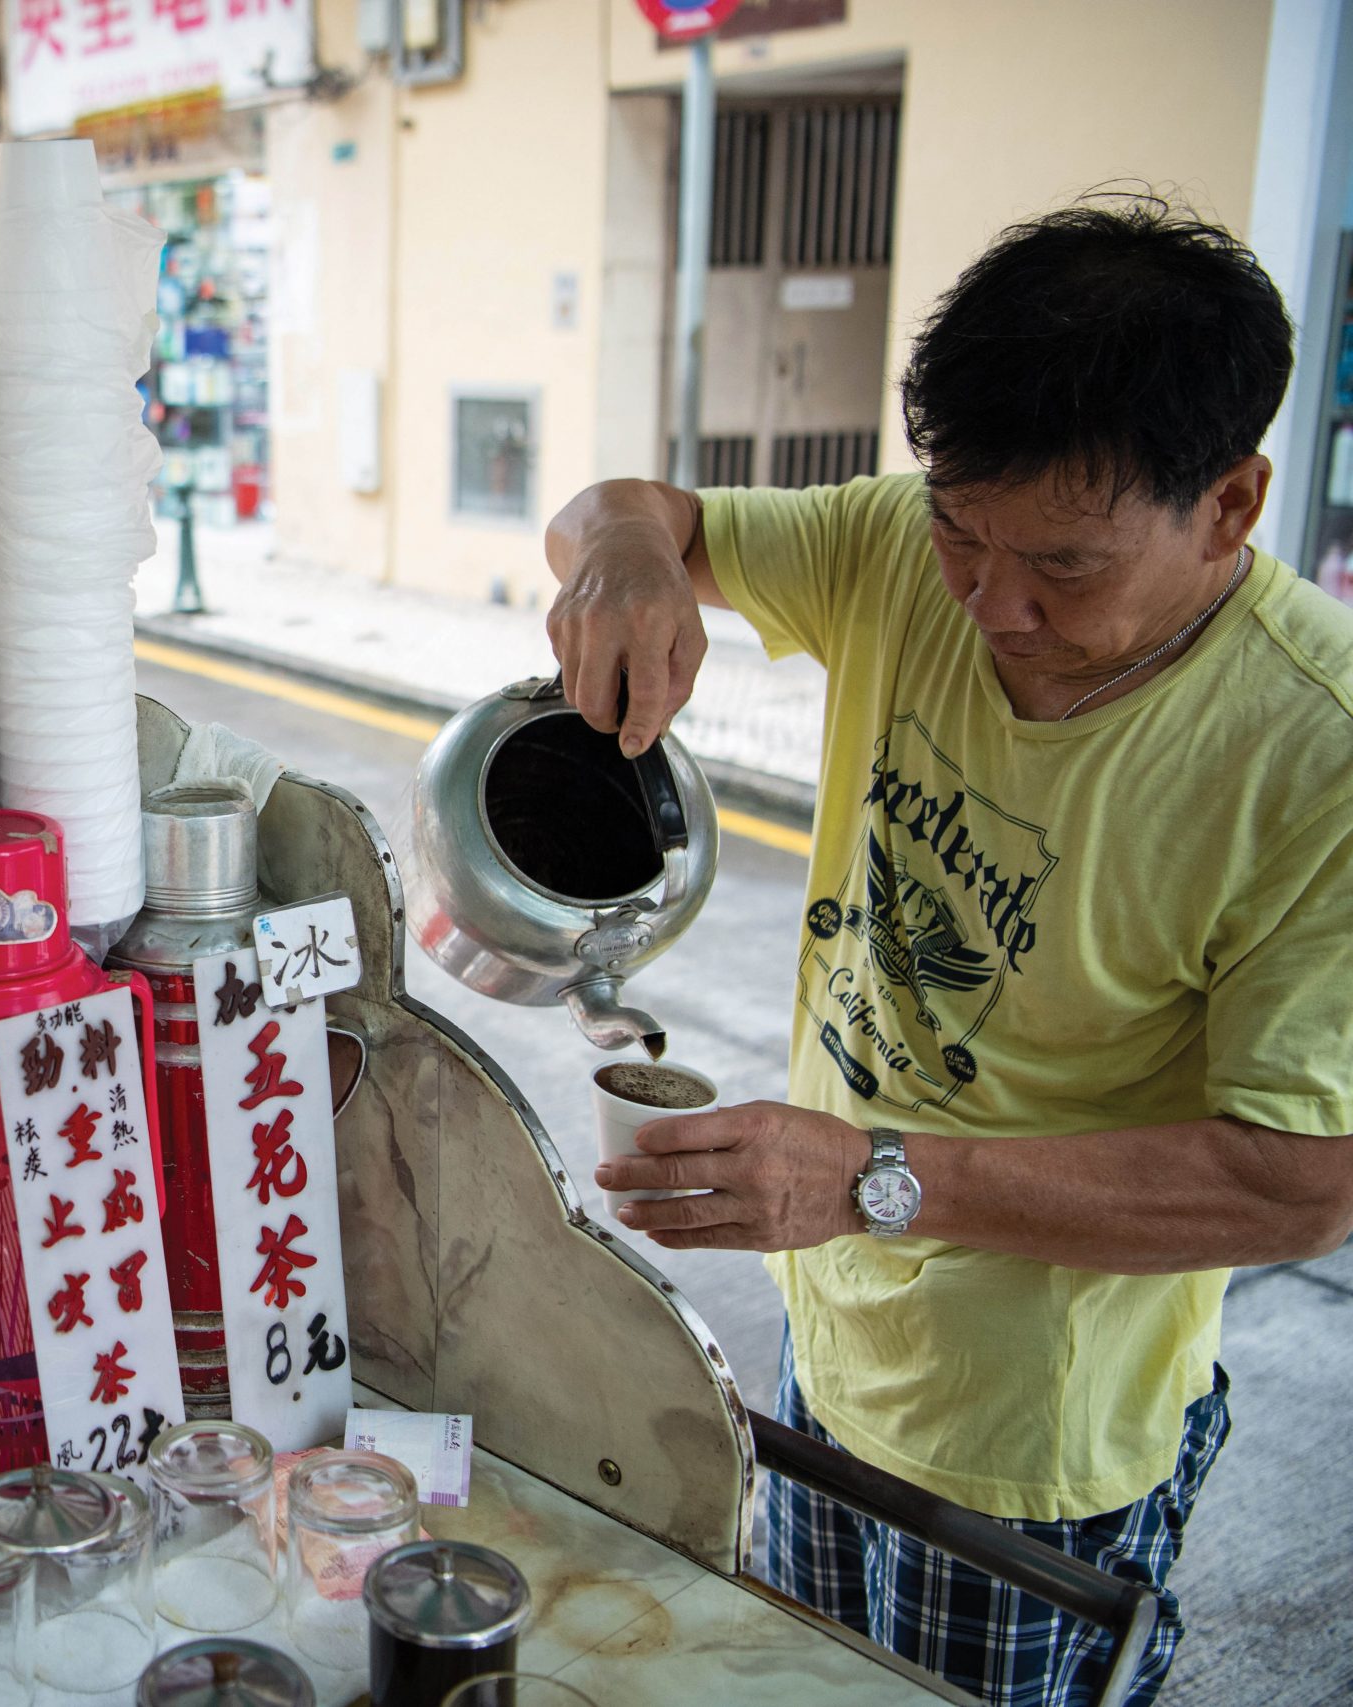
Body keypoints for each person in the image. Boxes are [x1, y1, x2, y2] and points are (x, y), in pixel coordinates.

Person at [542, 196, 1353, 1706]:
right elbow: (625, 510)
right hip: (826, 1336)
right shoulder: (894, 554)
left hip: (1031, 1446)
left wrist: (868, 1179)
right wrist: (627, 557)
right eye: (958, 530)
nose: (988, 603)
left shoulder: (1315, 756)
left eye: (1065, 566)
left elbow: (1301, 1183)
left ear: (1232, 506)